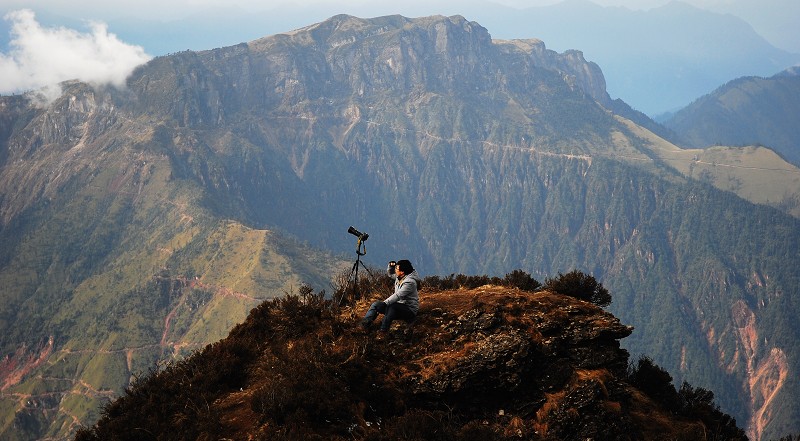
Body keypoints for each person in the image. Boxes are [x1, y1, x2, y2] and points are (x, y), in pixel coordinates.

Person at [361, 259, 420, 333]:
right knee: (376, 305)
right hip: (398, 307)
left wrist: (385, 303)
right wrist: (391, 266)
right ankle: (364, 325)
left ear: (402, 272)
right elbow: (390, 275)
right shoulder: (400, 277)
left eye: (396, 268)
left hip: (409, 310)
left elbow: (398, 295)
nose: (395, 270)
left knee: (392, 306)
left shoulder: (410, 282)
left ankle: (383, 331)